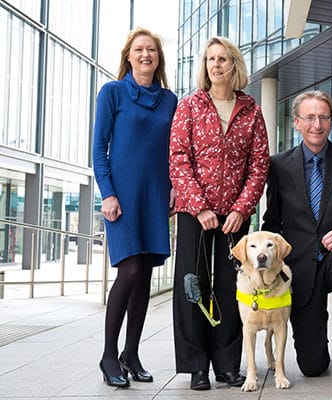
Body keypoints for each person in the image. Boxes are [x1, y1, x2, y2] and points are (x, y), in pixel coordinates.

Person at [169, 36, 269, 391]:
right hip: (194, 212)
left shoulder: (251, 109)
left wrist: (242, 209)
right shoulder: (190, 106)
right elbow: (179, 159)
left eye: (223, 59)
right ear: (205, 65)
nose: (216, 65)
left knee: (232, 287)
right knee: (193, 285)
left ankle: (227, 365)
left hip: (234, 217)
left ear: (234, 65)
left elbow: (258, 165)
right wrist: (199, 207)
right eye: (211, 59)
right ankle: (197, 365)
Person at [262, 90, 332, 396]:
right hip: (298, 267)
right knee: (312, 366)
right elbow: (271, 224)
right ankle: (318, 340)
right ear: (297, 122)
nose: (317, 124)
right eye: (309, 117)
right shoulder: (279, 166)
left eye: (324, 117)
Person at [93, 27, 177, 388]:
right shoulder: (111, 93)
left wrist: (175, 188)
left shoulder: (171, 100)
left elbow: (174, 152)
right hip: (123, 198)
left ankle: (132, 353)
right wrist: (107, 194)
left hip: (157, 195)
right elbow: (99, 149)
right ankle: (108, 354)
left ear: (158, 58)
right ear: (128, 56)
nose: (146, 55)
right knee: (127, 272)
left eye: (152, 50)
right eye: (139, 50)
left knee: (144, 275)